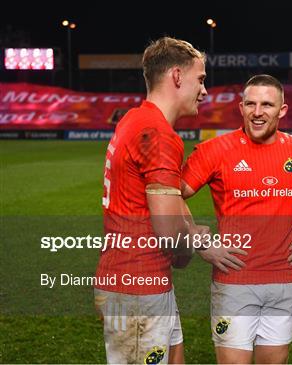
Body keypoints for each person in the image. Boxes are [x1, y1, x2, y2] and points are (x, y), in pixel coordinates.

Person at [181, 74, 292, 364]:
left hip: (283, 280)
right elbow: (170, 194)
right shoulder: (215, 150)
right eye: (250, 103)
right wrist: (200, 241)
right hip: (235, 281)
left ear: (282, 110)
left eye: (267, 104)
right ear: (241, 107)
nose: (258, 112)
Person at [94, 37, 208, 364]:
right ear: (176, 76)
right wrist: (195, 240)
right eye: (199, 79)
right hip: (138, 287)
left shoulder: (134, 119)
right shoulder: (157, 133)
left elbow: (167, 204)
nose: (204, 90)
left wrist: (187, 229)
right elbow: (169, 234)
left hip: (138, 279)